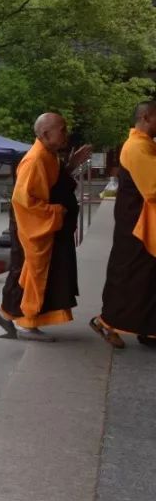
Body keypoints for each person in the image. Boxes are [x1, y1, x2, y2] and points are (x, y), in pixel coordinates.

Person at [0, 113, 90, 341]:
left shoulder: (49, 155)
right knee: (30, 273)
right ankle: (26, 324)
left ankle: (6, 314)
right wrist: (56, 212)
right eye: (62, 129)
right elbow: (23, 201)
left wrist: (70, 166)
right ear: (45, 134)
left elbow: (53, 185)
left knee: (27, 273)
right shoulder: (35, 159)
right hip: (33, 228)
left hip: (43, 227)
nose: (66, 133)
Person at [92, 102, 156, 348]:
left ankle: (149, 330)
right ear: (145, 116)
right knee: (131, 277)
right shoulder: (137, 146)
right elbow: (152, 188)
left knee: (148, 279)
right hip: (137, 224)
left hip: (141, 222)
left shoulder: (145, 144)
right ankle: (105, 322)